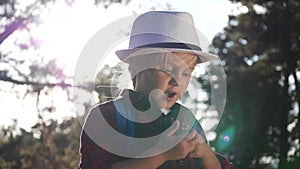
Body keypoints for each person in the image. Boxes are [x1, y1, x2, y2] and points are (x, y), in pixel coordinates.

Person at [79, 11, 232, 169]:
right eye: (167, 69)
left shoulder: (187, 118)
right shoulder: (107, 115)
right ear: (138, 66)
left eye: (186, 73)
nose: (177, 81)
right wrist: (161, 154)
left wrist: (206, 153)